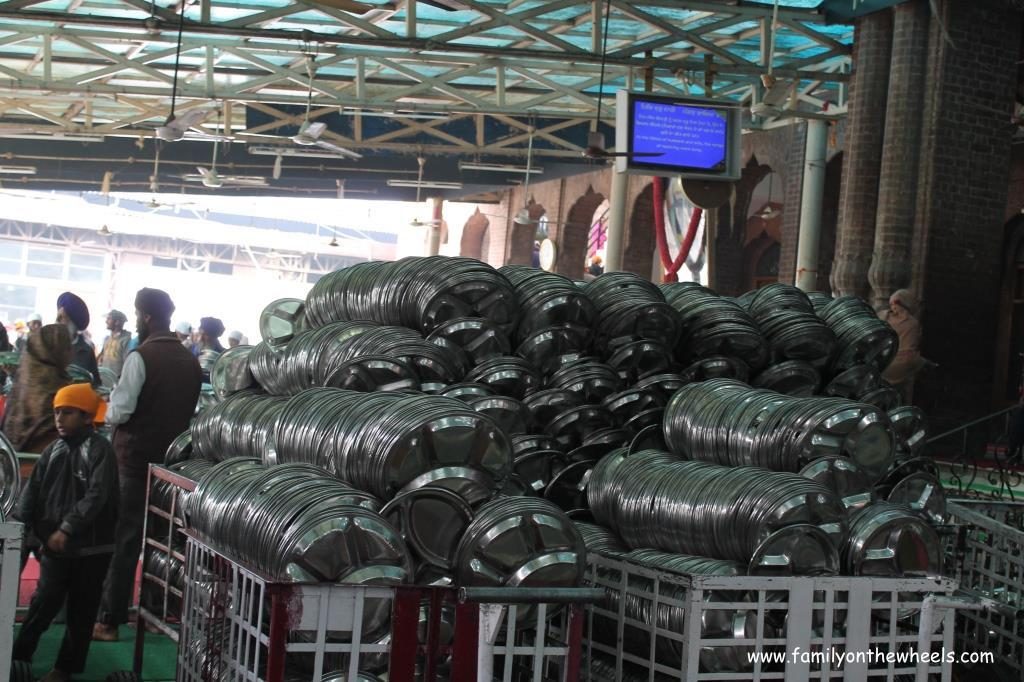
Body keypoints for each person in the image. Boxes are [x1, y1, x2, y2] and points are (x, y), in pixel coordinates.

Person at [94, 288, 201, 642]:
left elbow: (120, 412)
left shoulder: (141, 357)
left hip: (134, 463)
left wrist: (107, 407)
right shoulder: (190, 361)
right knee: (163, 541)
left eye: (137, 313)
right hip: (172, 468)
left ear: (146, 316)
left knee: (125, 540)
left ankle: (109, 619)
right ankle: (155, 614)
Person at [12, 383, 118, 682]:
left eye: (68, 412)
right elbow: (32, 491)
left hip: (92, 549)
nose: (59, 418)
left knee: (81, 613)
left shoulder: (100, 451)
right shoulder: (53, 450)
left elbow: (97, 495)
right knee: (42, 604)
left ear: (86, 417)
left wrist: (67, 528)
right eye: (57, 412)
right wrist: (23, 526)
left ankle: (64, 670)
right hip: (56, 548)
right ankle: (17, 659)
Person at [1, 325, 72, 454]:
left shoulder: (24, 380)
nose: (71, 353)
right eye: (67, 348)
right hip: (45, 464)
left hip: (10, 463)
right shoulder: (59, 388)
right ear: (55, 350)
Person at [880, 288, 925, 403]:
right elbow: (910, 354)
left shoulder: (882, 315)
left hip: (877, 363)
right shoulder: (912, 323)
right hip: (897, 370)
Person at [56, 292, 99, 385]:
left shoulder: (86, 352)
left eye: (61, 317)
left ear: (72, 324)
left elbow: (96, 384)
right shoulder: (49, 346)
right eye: (57, 316)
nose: (57, 321)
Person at [97, 310, 132, 379]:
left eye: (109, 319)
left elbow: (127, 364)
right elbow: (101, 358)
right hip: (104, 381)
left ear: (117, 322)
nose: (106, 321)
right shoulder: (107, 339)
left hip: (117, 383)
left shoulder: (126, 340)